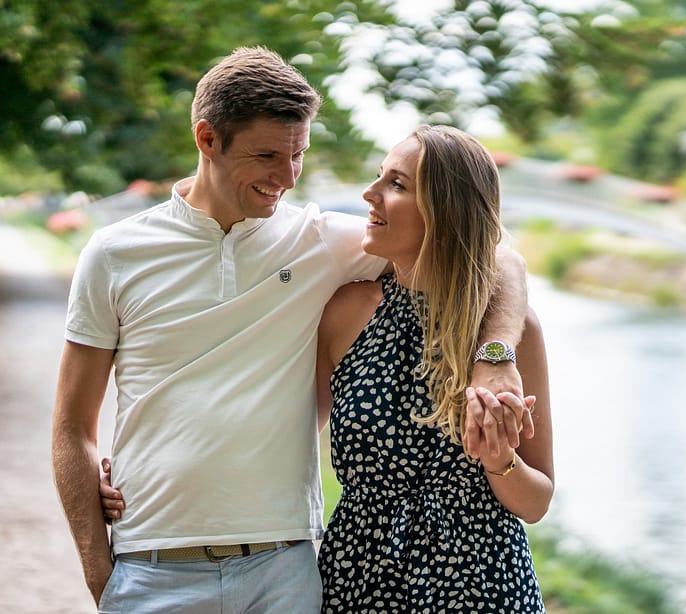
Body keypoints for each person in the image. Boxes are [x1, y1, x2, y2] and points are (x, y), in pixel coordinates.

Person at [52, 47, 529, 614]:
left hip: (284, 569)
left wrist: (496, 354)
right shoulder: (115, 253)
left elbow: (487, 252)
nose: (286, 177)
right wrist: (101, 575)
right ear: (208, 139)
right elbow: (71, 428)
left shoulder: (322, 242)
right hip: (150, 566)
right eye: (267, 156)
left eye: (297, 154)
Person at [314, 125, 554, 612]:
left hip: (481, 589)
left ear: (445, 213)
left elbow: (536, 503)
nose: (370, 194)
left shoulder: (509, 328)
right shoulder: (344, 312)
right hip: (358, 579)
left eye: (396, 184)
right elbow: (293, 438)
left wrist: (499, 459)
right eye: (379, 176)